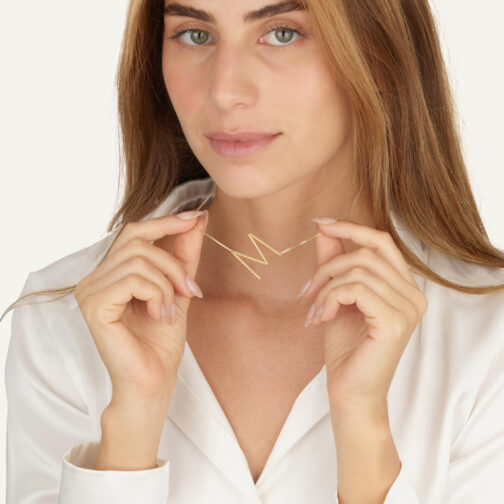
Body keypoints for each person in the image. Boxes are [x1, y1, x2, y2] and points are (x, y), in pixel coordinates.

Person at [3, 1, 504, 503]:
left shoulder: (488, 339)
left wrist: (365, 438)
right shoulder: (63, 319)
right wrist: (130, 426)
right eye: (194, 34)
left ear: (379, 51)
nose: (224, 91)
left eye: (282, 33)